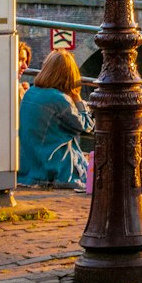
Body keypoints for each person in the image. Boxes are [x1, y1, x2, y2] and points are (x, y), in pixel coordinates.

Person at [18, 49, 94, 188]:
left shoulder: (30, 92)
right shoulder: (60, 100)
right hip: (52, 171)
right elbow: (86, 126)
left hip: (27, 170)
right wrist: (77, 99)